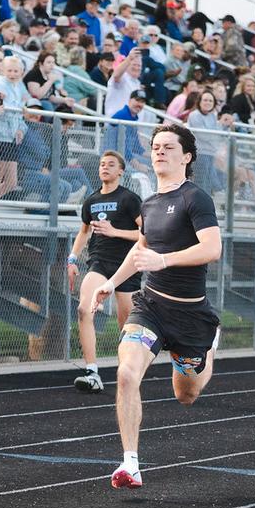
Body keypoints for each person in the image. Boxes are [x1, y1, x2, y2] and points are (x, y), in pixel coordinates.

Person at [81, 123, 223, 490]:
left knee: (186, 395)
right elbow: (141, 248)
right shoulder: (150, 203)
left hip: (189, 314)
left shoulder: (195, 198)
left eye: (168, 147)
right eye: (156, 146)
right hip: (151, 308)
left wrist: (165, 260)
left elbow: (212, 248)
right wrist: (111, 283)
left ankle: (209, 346)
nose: (159, 151)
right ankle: (130, 464)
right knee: (127, 373)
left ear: (186, 156)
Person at [70, 151, 143, 394]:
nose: (105, 167)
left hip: (127, 266)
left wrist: (115, 232)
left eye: (111, 164)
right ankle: (92, 373)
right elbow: (83, 232)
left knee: (128, 324)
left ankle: (128, 371)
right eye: (102, 164)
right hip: (99, 263)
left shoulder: (129, 199)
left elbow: (147, 234)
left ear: (121, 171)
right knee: (84, 310)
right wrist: (72, 258)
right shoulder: (91, 200)